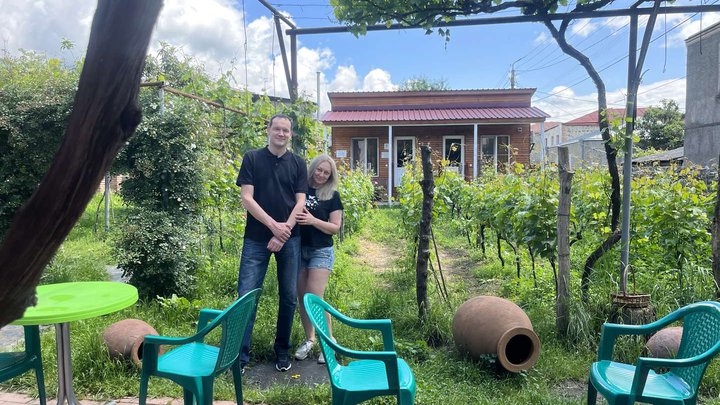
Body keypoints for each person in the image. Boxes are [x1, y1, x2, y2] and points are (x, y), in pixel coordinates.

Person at [236, 114, 307, 372]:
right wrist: (273, 227)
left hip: (290, 239)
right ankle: (240, 357)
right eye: (277, 129)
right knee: (246, 296)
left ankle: (282, 351)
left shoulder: (298, 163)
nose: (281, 133)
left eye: (285, 130)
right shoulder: (252, 158)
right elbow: (247, 198)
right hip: (256, 238)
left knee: (288, 297)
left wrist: (284, 230)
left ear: (290, 134)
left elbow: (300, 201)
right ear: (268, 130)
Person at [294, 154, 343, 364]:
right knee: (302, 298)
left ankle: (328, 342)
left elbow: (335, 227)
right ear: (312, 168)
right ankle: (309, 339)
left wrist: (313, 220)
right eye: (319, 170)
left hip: (321, 250)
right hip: (297, 248)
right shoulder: (300, 189)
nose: (322, 175)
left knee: (315, 297)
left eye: (327, 172)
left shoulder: (332, 195)